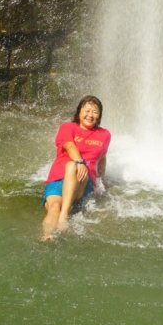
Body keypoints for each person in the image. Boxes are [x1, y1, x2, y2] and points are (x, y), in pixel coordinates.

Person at [41, 95, 111, 241]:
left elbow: (102, 157)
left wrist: (102, 181)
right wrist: (80, 162)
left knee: (72, 166)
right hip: (58, 178)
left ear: (99, 116)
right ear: (79, 112)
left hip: (83, 180)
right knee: (54, 207)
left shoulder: (104, 134)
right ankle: (47, 236)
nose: (90, 115)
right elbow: (69, 145)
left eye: (95, 112)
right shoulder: (67, 127)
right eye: (87, 110)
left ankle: (64, 216)